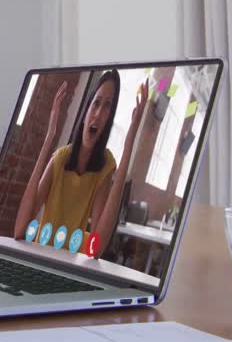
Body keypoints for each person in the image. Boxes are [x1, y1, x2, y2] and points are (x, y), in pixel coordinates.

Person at [12, 71, 148, 252]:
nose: (98, 114)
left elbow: (96, 250)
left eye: (107, 106)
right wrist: (49, 139)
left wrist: (129, 142)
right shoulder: (60, 159)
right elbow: (19, 230)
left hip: (71, 265)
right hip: (41, 256)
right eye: (96, 103)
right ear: (85, 112)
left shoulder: (105, 166)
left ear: (109, 120)